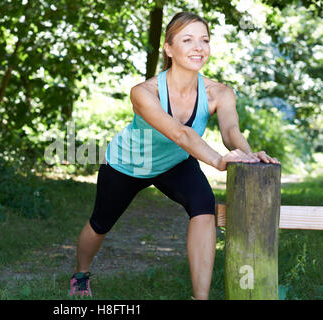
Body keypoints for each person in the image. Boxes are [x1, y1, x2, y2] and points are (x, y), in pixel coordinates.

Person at [69, 11, 280, 300]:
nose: (198, 47)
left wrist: (248, 155)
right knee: (100, 224)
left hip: (176, 162)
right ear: (168, 48)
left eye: (204, 40)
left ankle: (200, 298)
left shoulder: (220, 93)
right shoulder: (144, 92)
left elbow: (231, 131)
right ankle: (81, 275)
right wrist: (219, 161)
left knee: (203, 206)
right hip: (129, 163)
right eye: (188, 39)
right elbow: (180, 134)